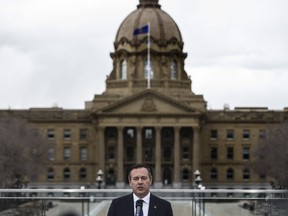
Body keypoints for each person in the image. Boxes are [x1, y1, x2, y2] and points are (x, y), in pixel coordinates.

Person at [107, 163, 173, 216]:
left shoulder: (165, 206)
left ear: (150, 180)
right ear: (130, 182)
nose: (140, 182)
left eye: (144, 178)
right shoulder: (117, 205)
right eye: (136, 179)